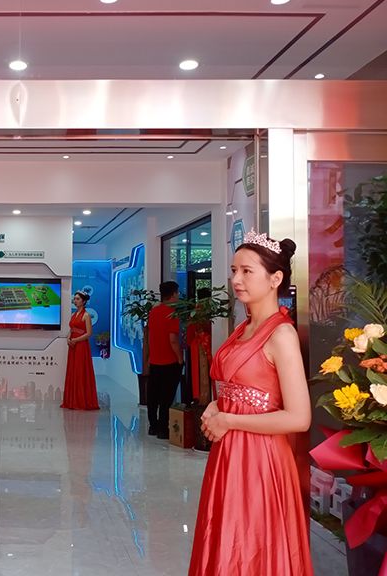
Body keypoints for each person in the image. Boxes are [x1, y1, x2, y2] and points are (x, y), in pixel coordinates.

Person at [189, 231, 312, 575]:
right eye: (234, 271)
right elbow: (235, 386)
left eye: (247, 271)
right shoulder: (242, 328)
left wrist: (230, 421)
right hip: (229, 454)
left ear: (275, 279)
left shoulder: (281, 334)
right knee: (226, 539)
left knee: (253, 544)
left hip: (261, 461)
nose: (236, 280)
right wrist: (217, 406)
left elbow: (299, 418)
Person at [147, 281, 183, 438]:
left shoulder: (153, 312)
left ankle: (153, 426)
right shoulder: (172, 313)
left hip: (155, 361)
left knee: (153, 396)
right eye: (177, 292)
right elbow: (173, 340)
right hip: (169, 362)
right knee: (166, 397)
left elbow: (150, 335)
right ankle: (163, 428)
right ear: (173, 294)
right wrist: (180, 358)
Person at [61, 291, 100, 410]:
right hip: (73, 346)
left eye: (77, 299)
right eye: (75, 299)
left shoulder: (86, 315)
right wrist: (68, 338)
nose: (75, 301)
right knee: (73, 371)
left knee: (80, 371)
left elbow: (89, 333)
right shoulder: (74, 314)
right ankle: (71, 400)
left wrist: (75, 340)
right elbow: (72, 329)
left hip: (81, 346)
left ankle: (81, 400)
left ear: (83, 301)